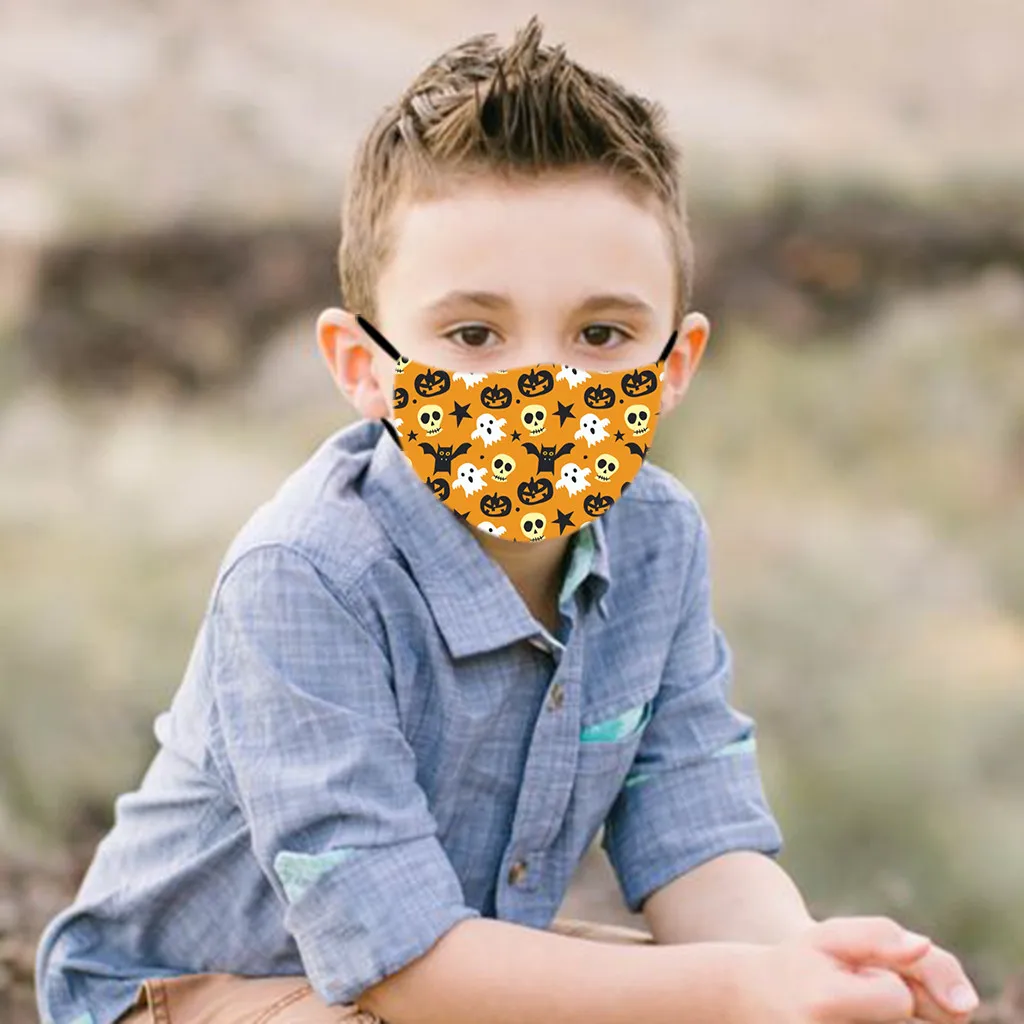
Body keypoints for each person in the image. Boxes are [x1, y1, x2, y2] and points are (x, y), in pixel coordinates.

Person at [35, 15, 980, 1024]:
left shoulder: (657, 541)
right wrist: (742, 987)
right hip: (183, 991)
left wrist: (806, 965)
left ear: (674, 366)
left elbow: (697, 839)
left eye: (601, 333)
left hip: (446, 960)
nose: (543, 384)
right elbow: (398, 961)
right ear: (363, 366)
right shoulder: (305, 574)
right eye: (474, 333)